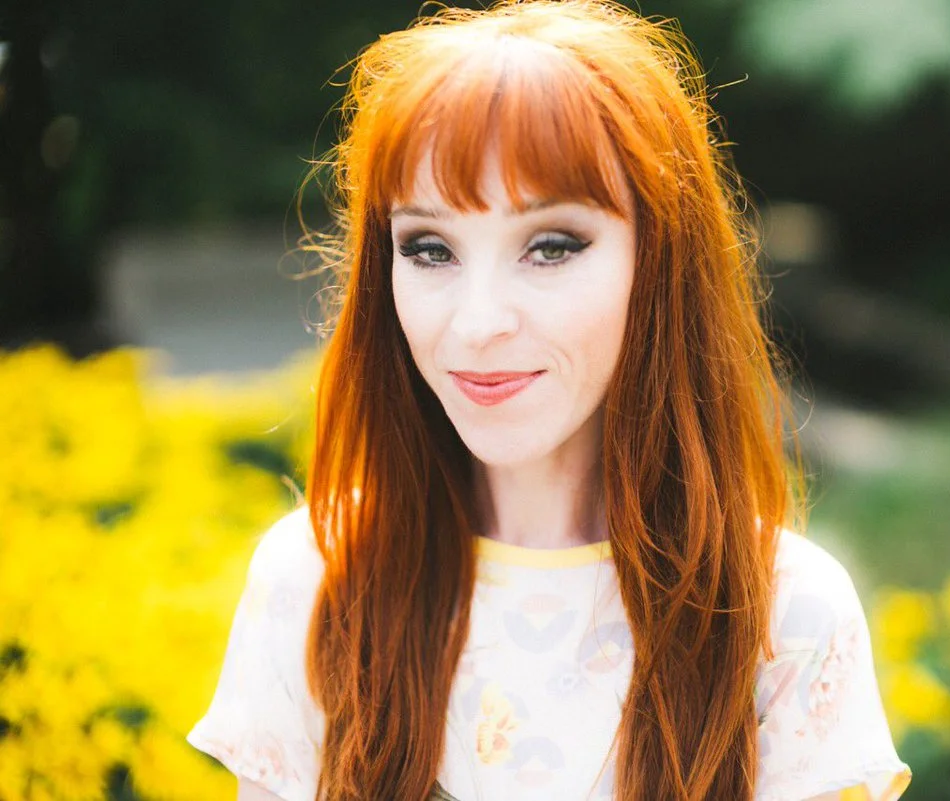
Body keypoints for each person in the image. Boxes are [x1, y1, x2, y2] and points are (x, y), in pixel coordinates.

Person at [186, 1, 912, 799]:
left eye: (551, 246)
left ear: (658, 261)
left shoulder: (785, 617)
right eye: (429, 248)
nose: (478, 323)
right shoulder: (317, 581)